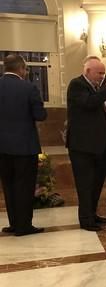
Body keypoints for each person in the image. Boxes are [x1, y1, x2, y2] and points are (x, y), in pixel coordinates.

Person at [66, 56, 106, 231]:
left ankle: (93, 214)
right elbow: (89, 103)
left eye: (104, 73)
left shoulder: (97, 88)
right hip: (82, 146)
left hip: (99, 146)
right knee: (85, 184)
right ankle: (86, 219)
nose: (102, 76)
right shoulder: (77, 85)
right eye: (99, 73)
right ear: (88, 71)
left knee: (96, 183)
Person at [0, 54, 47, 236]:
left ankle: (14, 223)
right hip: (25, 146)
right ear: (21, 69)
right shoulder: (29, 87)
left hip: (2, 147)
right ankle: (24, 225)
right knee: (25, 187)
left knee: (9, 186)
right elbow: (40, 115)